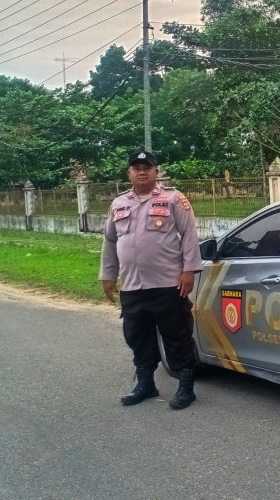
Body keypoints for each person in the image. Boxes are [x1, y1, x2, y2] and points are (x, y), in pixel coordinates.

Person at [100, 151, 203, 410]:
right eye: (136, 167)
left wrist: (189, 270)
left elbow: (189, 234)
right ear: (129, 173)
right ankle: (146, 384)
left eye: (148, 167)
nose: (142, 171)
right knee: (137, 336)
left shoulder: (173, 199)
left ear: (157, 172)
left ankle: (186, 387)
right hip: (133, 285)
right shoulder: (119, 203)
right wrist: (108, 274)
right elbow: (110, 241)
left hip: (168, 283)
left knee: (177, 334)